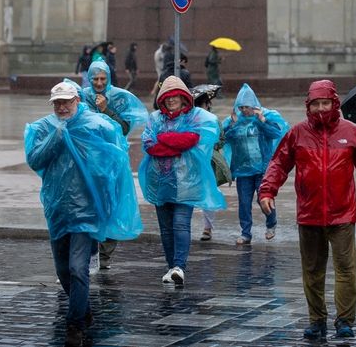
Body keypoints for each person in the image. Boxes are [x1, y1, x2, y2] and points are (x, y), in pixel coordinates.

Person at [258, 80, 356, 341]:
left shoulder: (351, 133)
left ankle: (344, 320)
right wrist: (267, 191)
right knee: (312, 271)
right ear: (308, 106)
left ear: (334, 103)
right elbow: (278, 163)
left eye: (325, 103)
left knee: (346, 270)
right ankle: (317, 320)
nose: (321, 109)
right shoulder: (297, 133)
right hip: (309, 214)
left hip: (342, 214)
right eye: (316, 104)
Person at [24, 81, 142, 347]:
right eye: (57, 103)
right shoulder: (44, 128)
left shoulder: (98, 125)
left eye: (66, 101)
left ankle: (74, 324)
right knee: (63, 270)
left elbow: (115, 161)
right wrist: (58, 137)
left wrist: (108, 200)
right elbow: (35, 159)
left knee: (78, 268)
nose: (62, 107)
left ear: (78, 100)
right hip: (58, 209)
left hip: (88, 210)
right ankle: (84, 310)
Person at [138, 76, 226, 285]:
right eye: (167, 97)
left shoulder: (195, 117)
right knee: (166, 228)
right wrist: (175, 145)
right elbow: (149, 145)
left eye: (175, 96)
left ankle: (179, 266)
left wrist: (164, 139)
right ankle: (172, 267)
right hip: (161, 182)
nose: (171, 100)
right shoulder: (155, 118)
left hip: (186, 183)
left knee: (180, 224)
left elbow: (192, 139)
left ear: (184, 97)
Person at [80, 61, 148, 270]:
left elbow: (125, 127)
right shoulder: (81, 96)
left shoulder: (119, 97)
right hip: (88, 162)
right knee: (90, 206)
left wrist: (106, 110)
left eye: (103, 78)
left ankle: (105, 254)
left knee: (111, 205)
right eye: (95, 78)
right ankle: (89, 252)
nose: (99, 83)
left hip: (113, 162)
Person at [222, 83, 289, 245]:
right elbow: (224, 139)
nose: (245, 110)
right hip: (243, 170)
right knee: (244, 203)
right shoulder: (234, 120)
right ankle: (246, 233)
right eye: (242, 107)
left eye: (248, 107)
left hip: (262, 169)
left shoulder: (264, 117)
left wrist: (261, 121)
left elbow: (276, 133)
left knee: (263, 198)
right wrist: (232, 125)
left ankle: (271, 223)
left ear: (254, 105)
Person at [191, 84, 231, 241]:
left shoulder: (213, 120)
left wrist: (211, 144)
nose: (208, 105)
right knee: (195, 192)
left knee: (207, 192)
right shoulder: (193, 120)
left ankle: (207, 228)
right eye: (206, 103)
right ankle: (198, 227)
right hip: (195, 161)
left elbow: (221, 141)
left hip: (207, 162)